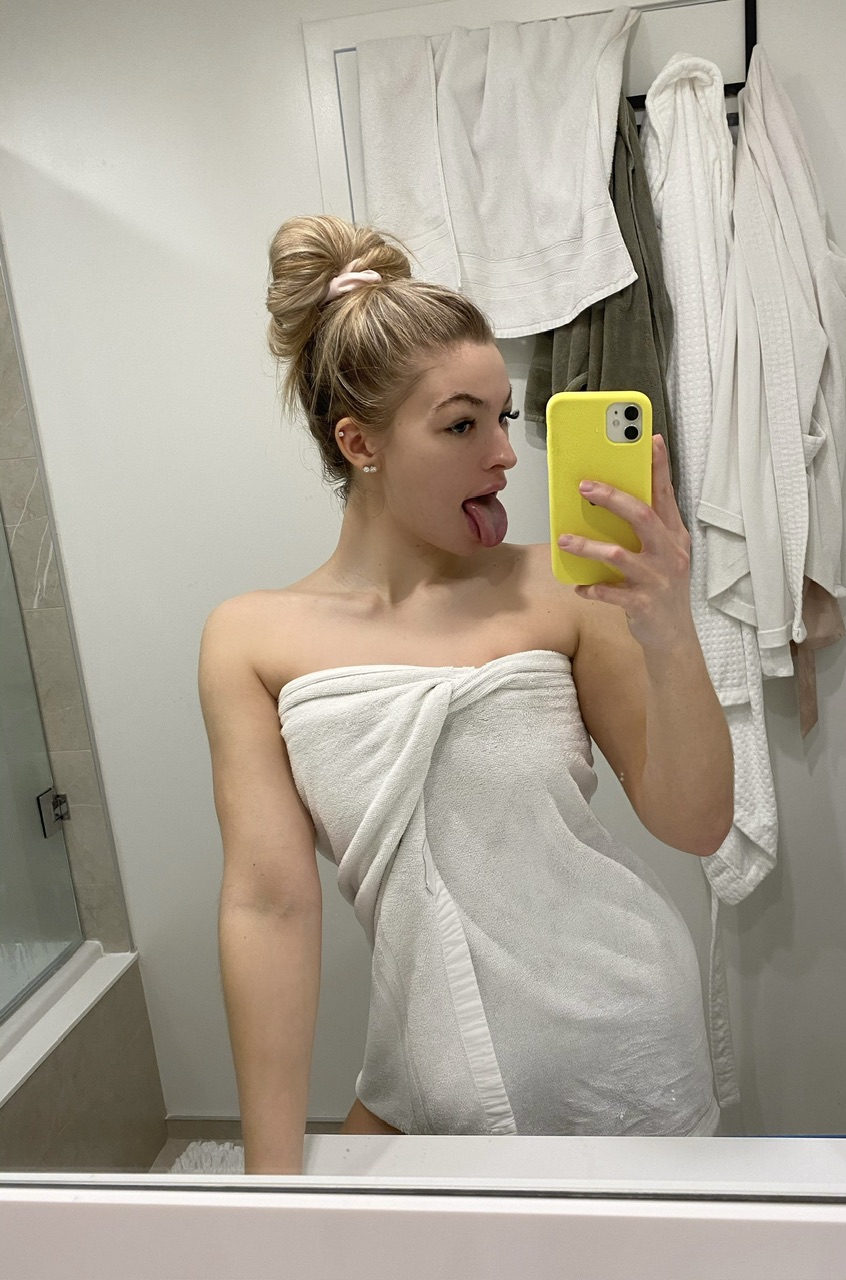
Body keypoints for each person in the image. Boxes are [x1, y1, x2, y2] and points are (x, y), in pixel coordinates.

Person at [198, 214, 734, 1175]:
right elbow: (269, 906)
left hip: (619, 1045)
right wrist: (269, 1186)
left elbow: (694, 824)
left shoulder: (561, 589)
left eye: (503, 416)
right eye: (461, 424)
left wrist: (670, 629)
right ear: (358, 442)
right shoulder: (251, 639)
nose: (505, 454)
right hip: (427, 1062)